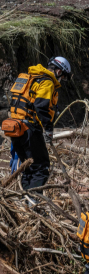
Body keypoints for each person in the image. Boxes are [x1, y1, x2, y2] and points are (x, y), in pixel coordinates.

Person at [4, 57, 71, 190]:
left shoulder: (30, 79)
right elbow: (41, 107)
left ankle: (24, 202)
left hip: (15, 128)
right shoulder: (47, 82)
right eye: (62, 77)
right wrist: (48, 129)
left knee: (29, 168)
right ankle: (33, 201)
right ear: (58, 71)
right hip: (30, 130)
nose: (61, 80)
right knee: (41, 167)